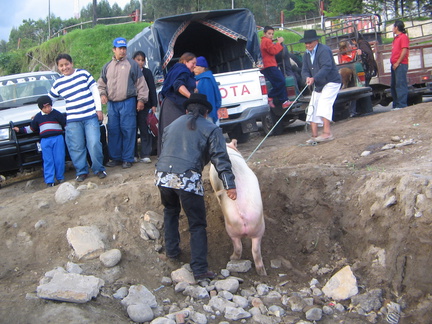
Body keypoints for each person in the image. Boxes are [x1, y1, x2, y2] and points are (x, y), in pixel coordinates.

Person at [155, 93, 237, 281]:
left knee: (170, 211)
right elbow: (220, 159)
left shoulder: (171, 126)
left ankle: (172, 252)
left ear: (186, 110)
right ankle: (200, 269)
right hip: (187, 177)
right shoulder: (211, 128)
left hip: (162, 176)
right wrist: (229, 185)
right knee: (197, 224)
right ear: (206, 113)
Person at [49, 54, 106, 182]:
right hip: (73, 120)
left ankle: (99, 169)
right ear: (58, 67)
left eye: (66, 64)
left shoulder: (83, 74)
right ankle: (82, 171)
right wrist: (41, 111)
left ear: (71, 63)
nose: (64, 67)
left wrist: (98, 109)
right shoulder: (58, 83)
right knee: (76, 146)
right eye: (61, 66)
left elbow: (94, 91)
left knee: (94, 143)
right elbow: (49, 100)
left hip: (90, 116)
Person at [98, 37, 149, 169]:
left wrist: (141, 100)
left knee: (128, 130)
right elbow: (101, 84)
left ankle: (127, 158)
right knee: (113, 130)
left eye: (124, 48)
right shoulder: (107, 66)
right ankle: (115, 158)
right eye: (120, 48)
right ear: (114, 50)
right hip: (112, 104)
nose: (122, 51)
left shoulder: (132, 65)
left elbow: (141, 84)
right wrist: (103, 94)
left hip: (128, 102)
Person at [13, 96, 66, 187]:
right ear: (41, 108)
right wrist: (20, 130)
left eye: (49, 106)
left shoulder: (57, 114)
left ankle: (60, 177)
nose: (48, 109)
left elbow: (65, 124)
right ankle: (49, 180)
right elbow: (31, 128)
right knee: (48, 160)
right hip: (45, 140)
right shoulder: (38, 117)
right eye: (45, 107)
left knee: (59, 158)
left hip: (57, 138)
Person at [300, 30, 341, 143]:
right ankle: (314, 135)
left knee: (324, 103)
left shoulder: (324, 50)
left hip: (331, 81)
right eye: (306, 43)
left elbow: (326, 67)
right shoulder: (306, 54)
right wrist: (307, 77)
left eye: (310, 42)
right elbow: (304, 70)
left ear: (316, 41)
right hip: (318, 84)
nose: (308, 45)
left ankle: (327, 133)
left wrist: (314, 78)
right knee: (313, 105)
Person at [158, 52, 197, 155]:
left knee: (175, 134)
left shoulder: (178, 69)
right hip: (173, 107)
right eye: (193, 63)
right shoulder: (183, 70)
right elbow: (178, 85)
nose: (195, 65)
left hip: (172, 104)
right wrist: (191, 97)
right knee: (174, 133)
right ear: (185, 61)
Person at [133, 51, 158, 164]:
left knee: (145, 130)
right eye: (138, 60)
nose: (140, 62)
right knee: (132, 130)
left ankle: (145, 154)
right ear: (133, 60)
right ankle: (133, 154)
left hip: (145, 106)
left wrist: (154, 104)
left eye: (142, 60)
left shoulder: (147, 73)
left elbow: (152, 89)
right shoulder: (129, 72)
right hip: (131, 106)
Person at [260, 26, 291, 109]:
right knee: (281, 81)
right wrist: (279, 43)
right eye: (269, 34)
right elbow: (273, 51)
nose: (271, 36)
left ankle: (284, 101)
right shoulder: (266, 41)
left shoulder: (265, 41)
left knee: (277, 83)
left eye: (272, 34)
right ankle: (270, 96)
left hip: (268, 66)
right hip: (269, 66)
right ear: (265, 34)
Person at [193, 56, 222, 125]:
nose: (194, 69)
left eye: (196, 67)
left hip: (207, 112)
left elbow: (208, 97)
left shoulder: (206, 79)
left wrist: (206, 111)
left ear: (203, 67)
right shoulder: (198, 78)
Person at [390, 20, 409, 109]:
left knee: (400, 84)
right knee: (394, 85)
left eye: (393, 27)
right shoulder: (396, 38)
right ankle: (396, 104)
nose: (392, 29)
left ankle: (402, 104)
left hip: (400, 64)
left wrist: (398, 62)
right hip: (394, 64)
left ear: (396, 27)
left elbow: (404, 50)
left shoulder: (403, 37)